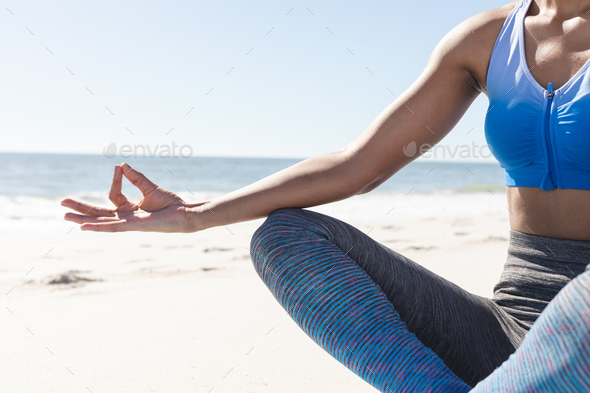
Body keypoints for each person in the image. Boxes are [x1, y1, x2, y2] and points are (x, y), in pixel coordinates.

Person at [61, 0, 590, 391]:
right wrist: (194, 215)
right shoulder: (488, 37)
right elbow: (357, 165)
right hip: (508, 326)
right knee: (287, 235)